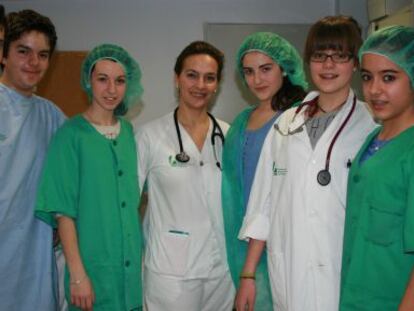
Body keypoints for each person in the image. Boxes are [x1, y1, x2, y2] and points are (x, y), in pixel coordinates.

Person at [237, 16, 377, 311]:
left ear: (355, 63)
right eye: (319, 56)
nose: (328, 65)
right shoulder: (286, 124)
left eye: (339, 55)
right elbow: (263, 203)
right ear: (307, 62)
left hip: (345, 271)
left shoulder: (372, 125)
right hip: (290, 271)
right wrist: (248, 274)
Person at [35, 43, 144, 311]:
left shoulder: (130, 134)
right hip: (91, 274)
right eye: (102, 79)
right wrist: (78, 276)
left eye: (119, 81)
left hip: (131, 276)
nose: (111, 90)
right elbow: (63, 213)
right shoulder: (70, 135)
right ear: (88, 81)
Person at [135, 41, 235, 310]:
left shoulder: (228, 135)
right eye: (192, 75)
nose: (200, 85)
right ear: (176, 78)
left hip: (221, 271)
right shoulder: (149, 137)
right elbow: (127, 203)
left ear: (217, 84)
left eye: (209, 77)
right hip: (171, 273)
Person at [221, 32, 308, 310]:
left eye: (266, 69)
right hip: (242, 243)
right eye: (249, 72)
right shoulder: (241, 122)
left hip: (284, 241)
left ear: (284, 67)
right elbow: (232, 190)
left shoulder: (300, 117)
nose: (257, 80)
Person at [340, 25, 414, 311]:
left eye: (389, 77)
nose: (374, 90)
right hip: (356, 295)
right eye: (367, 77)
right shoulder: (374, 139)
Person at [0, 9, 64, 311]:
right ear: (4, 54)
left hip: (34, 257)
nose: (34, 62)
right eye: (23, 51)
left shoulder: (52, 117)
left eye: (43, 54)